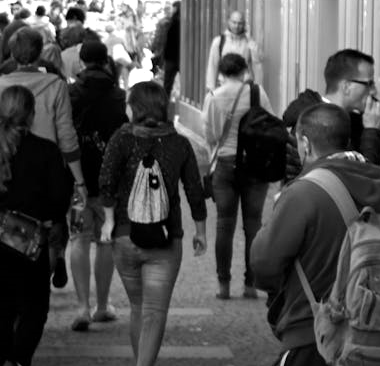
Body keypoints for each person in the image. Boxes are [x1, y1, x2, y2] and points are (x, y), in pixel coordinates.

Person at [251, 103, 380, 366]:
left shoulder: (304, 193)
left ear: (306, 144)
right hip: (370, 334)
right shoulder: (374, 181)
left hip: (315, 333)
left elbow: (264, 265)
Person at [0, 86, 72, 366]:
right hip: (32, 241)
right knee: (35, 308)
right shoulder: (46, 151)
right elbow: (60, 199)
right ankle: (18, 360)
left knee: (2, 311)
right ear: (31, 114)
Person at [99, 81, 207, 366]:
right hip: (165, 238)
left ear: (133, 108)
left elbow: (106, 182)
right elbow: (195, 190)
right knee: (154, 312)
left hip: (124, 235)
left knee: (138, 307)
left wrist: (108, 221)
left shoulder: (121, 138)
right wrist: (200, 231)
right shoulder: (179, 142)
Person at [0, 27, 86, 289]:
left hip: (4, 161)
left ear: (12, 53)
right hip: (48, 165)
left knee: (7, 220)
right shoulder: (56, 86)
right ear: (40, 54)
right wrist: (78, 178)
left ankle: (13, 282)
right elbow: (67, 133)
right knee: (51, 222)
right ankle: (50, 263)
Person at [202, 53, 274, 299]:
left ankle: (223, 285)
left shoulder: (213, 98)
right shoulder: (257, 93)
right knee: (253, 223)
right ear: (245, 71)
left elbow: (209, 135)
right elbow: (271, 123)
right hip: (255, 165)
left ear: (221, 74)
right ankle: (250, 285)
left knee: (224, 224)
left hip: (225, 163)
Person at [68, 40, 127, 332]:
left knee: (78, 239)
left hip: (78, 177)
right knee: (106, 240)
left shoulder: (72, 92)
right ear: (105, 61)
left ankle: (81, 306)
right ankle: (102, 305)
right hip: (108, 181)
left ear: (81, 62)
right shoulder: (118, 95)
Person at [282, 49, 380, 181]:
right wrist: (371, 131)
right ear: (346, 87)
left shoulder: (357, 120)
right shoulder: (312, 124)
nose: (374, 90)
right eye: (369, 83)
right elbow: (361, 183)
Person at [205, 11, 263, 91]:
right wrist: (211, 88)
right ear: (228, 22)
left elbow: (258, 60)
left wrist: (250, 40)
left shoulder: (248, 42)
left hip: (245, 86)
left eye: (240, 23)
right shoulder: (219, 41)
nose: (237, 26)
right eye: (234, 22)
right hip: (224, 86)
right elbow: (213, 65)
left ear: (244, 25)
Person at [163, 2, 181, 95]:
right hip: (180, 56)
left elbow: (167, 40)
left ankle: (165, 103)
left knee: (168, 83)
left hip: (171, 56)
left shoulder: (172, 22)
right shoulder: (182, 22)